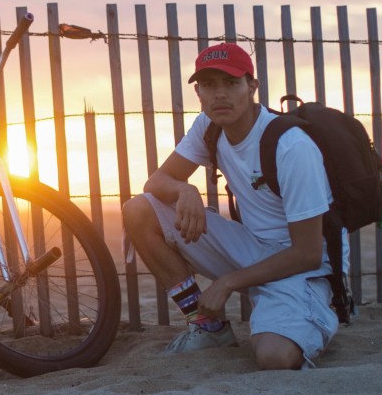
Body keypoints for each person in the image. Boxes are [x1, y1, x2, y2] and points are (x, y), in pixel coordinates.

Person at [122, 42, 344, 370]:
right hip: (251, 247)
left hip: (301, 267)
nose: (220, 94)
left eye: (231, 82)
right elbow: (156, 182)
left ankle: (306, 313)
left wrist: (229, 282)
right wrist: (185, 190)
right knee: (139, 210)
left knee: (274, 357)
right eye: (209, 84)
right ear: (198, 92)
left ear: (252, 87)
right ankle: (208, 327)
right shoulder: (209, 126)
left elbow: (308, 253)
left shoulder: (291, 146)